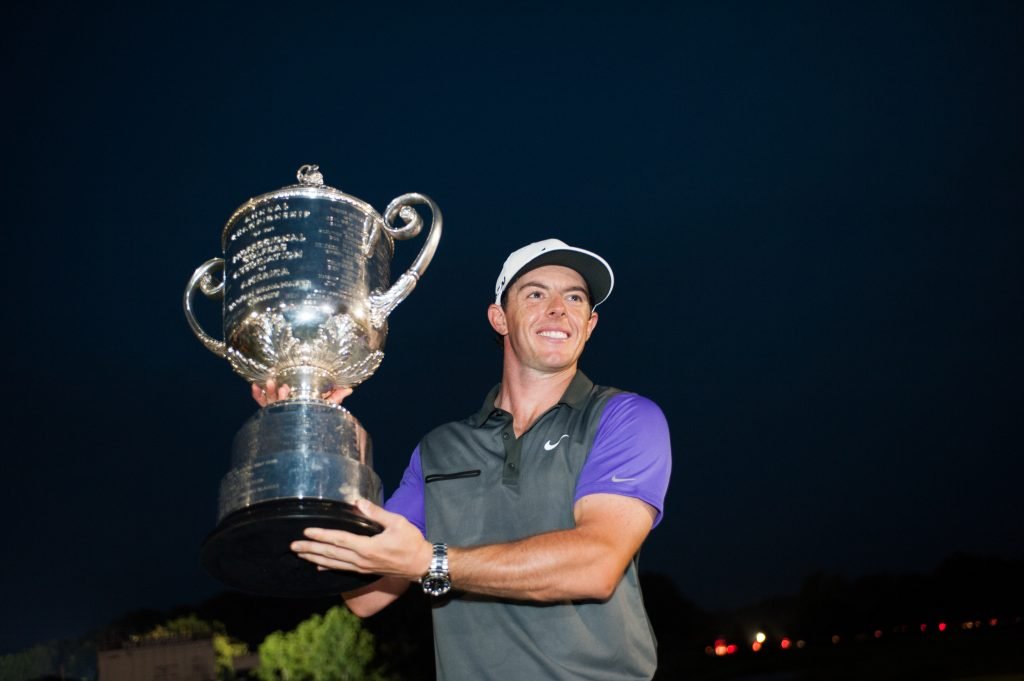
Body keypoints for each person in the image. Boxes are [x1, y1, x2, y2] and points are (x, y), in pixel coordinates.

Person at [256, 239, 672, 680]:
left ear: (589, 325)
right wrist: (309, 426)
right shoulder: (439, 449)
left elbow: (596, 564)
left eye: (574, 297)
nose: (558, 309)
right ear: (499, 318)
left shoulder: (625, 418)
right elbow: (364, 596)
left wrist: (431, 563)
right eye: (535, 293)